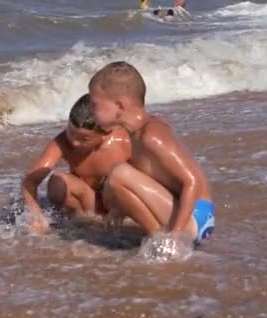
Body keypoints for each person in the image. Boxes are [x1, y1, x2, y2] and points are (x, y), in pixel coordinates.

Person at [88, 61, 214, 246]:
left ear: (120, 105)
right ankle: (160, 239)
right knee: (115, 181)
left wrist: (177, 235)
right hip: (186, 212)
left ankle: (169, 243)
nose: (91, 112)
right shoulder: (135, 133)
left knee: (119, 173)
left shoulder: (152, 135)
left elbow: (193, 181)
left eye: (94, 105)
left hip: (197, 216)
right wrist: (118, 208)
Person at [22, 94, 131, 233]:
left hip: (123, 207)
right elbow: (30, 180)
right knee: (57, 182)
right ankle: (84, 225)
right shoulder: (63, 142)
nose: (74, 142)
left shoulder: (125, 142)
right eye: (70, 133)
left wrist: (121, 210)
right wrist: (36, 216)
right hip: (90, 206)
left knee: (118, 178)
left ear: (106, 131)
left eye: (84, 138)